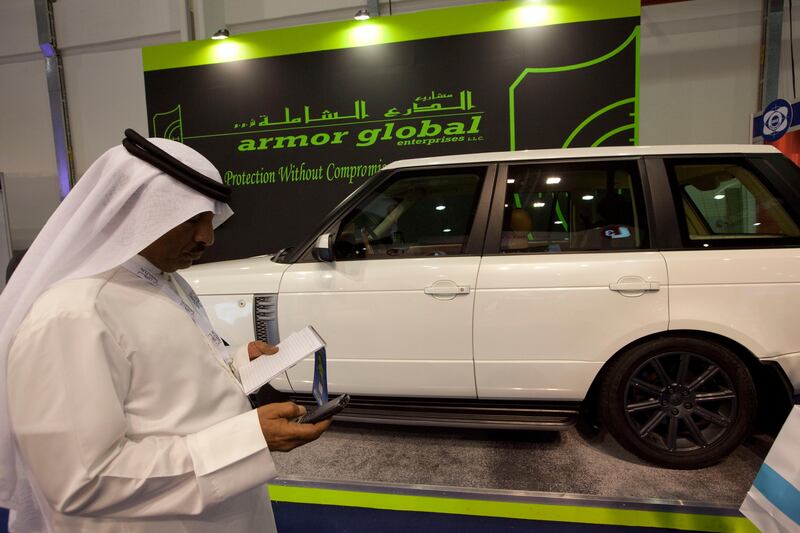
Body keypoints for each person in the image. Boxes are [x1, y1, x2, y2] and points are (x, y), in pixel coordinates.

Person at [0, 129, 330, 532]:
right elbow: (80, 480)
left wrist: (239, 361)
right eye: (190, 219)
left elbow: (163, 388)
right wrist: (247, 439)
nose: (206, 237)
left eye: (210, 219)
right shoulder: (72, 315)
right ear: (135, 211)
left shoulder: (161, 280)